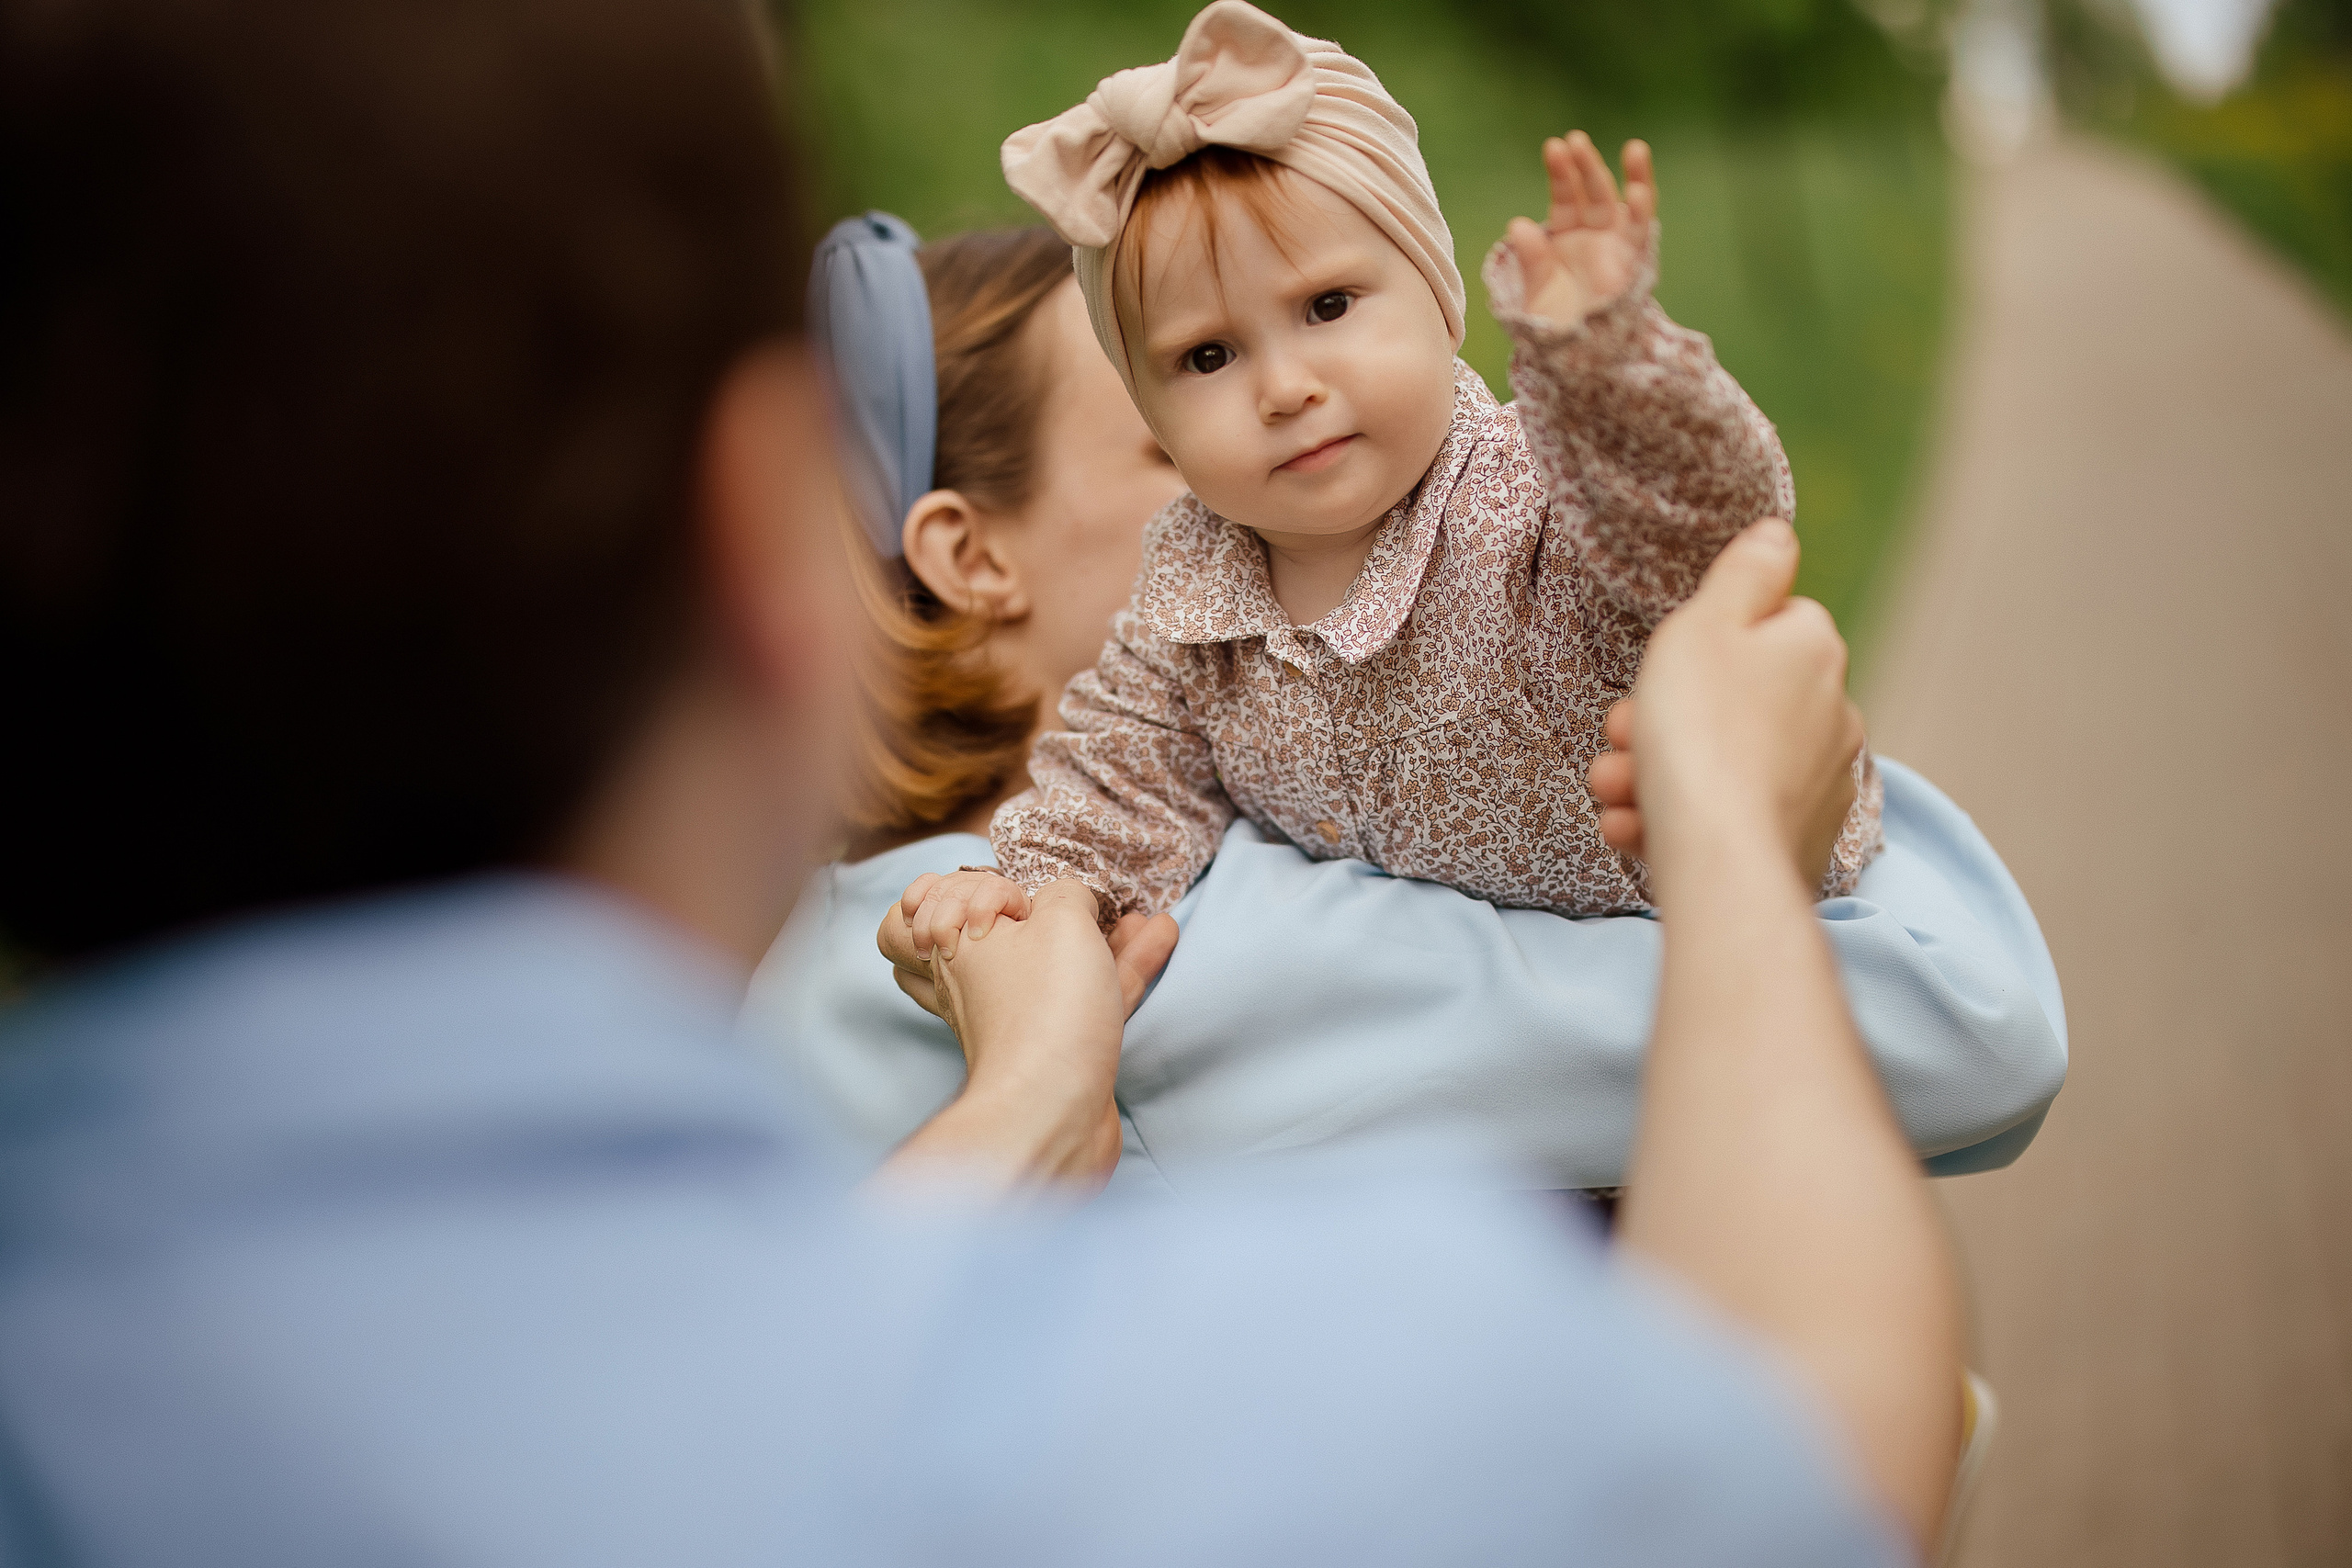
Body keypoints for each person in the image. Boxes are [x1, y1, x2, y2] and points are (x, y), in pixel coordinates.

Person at [2, 0, 1953, 1562]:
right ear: (773, 534)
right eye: (1183, 393)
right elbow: (1839, 1365)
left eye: (1324, 314)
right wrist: (1729, 835)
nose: (1266, 414)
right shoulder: (1356, 1374)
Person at [752, 213, 2064, 1192]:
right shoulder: (1168, 948)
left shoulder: (803, 971)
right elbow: (1969, 1020)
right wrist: (1765, 777)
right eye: (1176, 429)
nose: (1265, 457)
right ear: (968, 556)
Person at [901, 0, 1883, 956]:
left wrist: (1607, 366)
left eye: (1327, 305)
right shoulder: (1189, 608)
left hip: (1749, 907)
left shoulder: (1527, 493)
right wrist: (1033, 890)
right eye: (1207, 357)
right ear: (1150, 410)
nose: (1285, 388)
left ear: (1439, 302)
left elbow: (1711, 535)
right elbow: (1124, 783)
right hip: (1527, 1000)